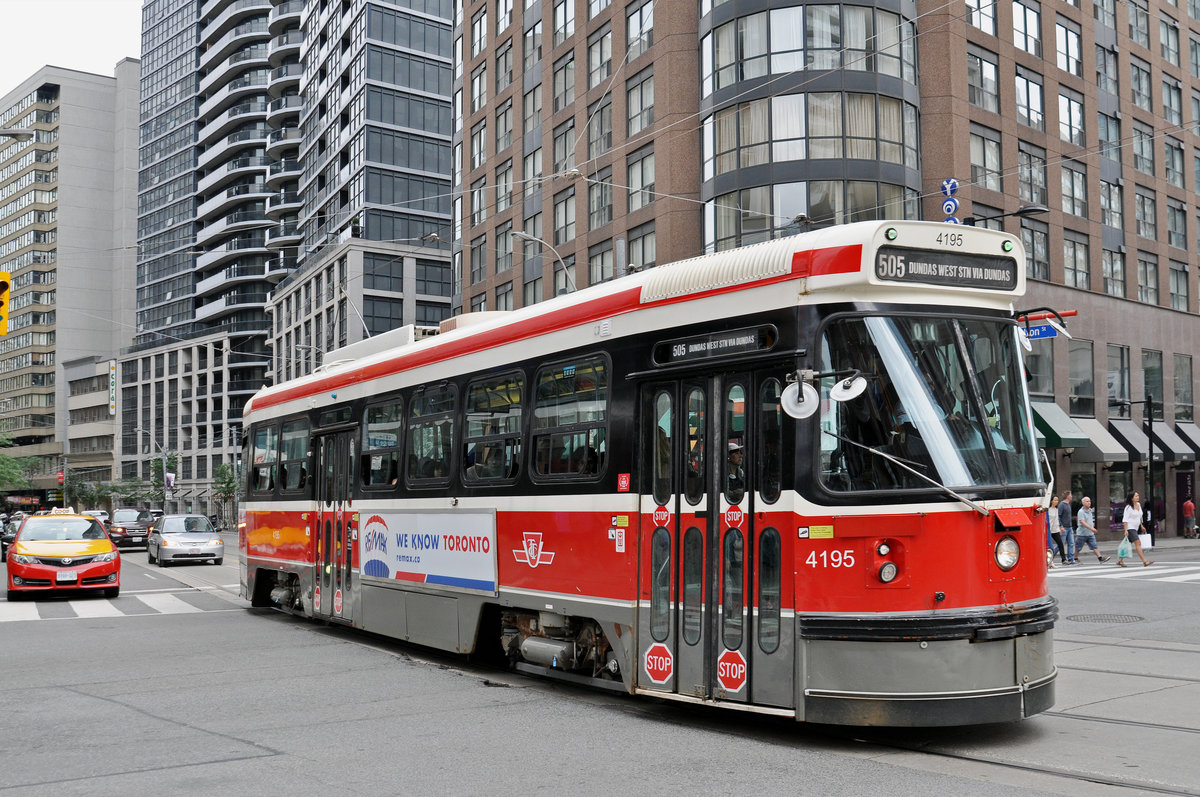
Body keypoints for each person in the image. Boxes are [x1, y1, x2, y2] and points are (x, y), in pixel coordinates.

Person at [1119, 491, 1153, 567]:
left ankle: (1120, 560)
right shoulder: (1128, 507)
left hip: (1136, 528)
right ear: (1132, 498)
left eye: (1138, 495)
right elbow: (1125, 520)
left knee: (1126, 544)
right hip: (1130, 528)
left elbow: (1139, 517)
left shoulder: (1138, 505)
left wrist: (1142, 526)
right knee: (1138, 543)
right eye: (1136, 496)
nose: (1138, 497)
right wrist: (1125, 530)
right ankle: (1145, 561)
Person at [1074, 496, 1109, 562]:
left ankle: (1100, 558)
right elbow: (1082, 522)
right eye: (1087, 501)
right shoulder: (1081, 512)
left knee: (1094, 546)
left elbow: (1091, 520)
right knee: (1078, 547)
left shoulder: (1090, 510)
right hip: (1082, 533)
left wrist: (1092, 527)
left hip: (1090, 533)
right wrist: (1091, 528)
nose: (1089, 503)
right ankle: (1075, 558)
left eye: (1089, 501)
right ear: (1083, 503)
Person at [1047, 495, 1067, 566]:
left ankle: (1064, 559)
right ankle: (1049, 560)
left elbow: (1056, 521)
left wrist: (1059, 528)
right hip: (1048, 530)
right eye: (1055, 500)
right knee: (1049, 546)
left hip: (1055, 530)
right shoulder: (1048, 509)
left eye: (1057, 500)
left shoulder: (1056, 509)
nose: (1056, 501)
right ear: (1051, 501)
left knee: (1060, 544)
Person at [1058, 490, 1077, 564]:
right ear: (1067, 496)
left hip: (1069, 527)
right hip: (1064, 528)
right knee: (1061, 544)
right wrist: (1061, 526)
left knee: (1071, 543)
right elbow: (1058, 516)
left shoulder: (1068, 505)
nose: (1072, 496)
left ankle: (1071, 559)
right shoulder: (1062, 505)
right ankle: (1051, 556)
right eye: (1071, 495)